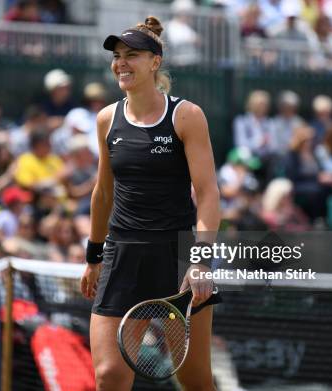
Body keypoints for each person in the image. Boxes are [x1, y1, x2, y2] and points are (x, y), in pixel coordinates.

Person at [81, 16, 220, 390]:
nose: (121, 63)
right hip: (122, 256)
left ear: (155, 62)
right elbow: (103, 193)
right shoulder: (106, 119)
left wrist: (202, 261)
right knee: (109, 375)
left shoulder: (186, 116)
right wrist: (94, 256)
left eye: (132, 55)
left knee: (193, 380)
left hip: (178, 258)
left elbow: (207, 194)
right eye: (117, 56)